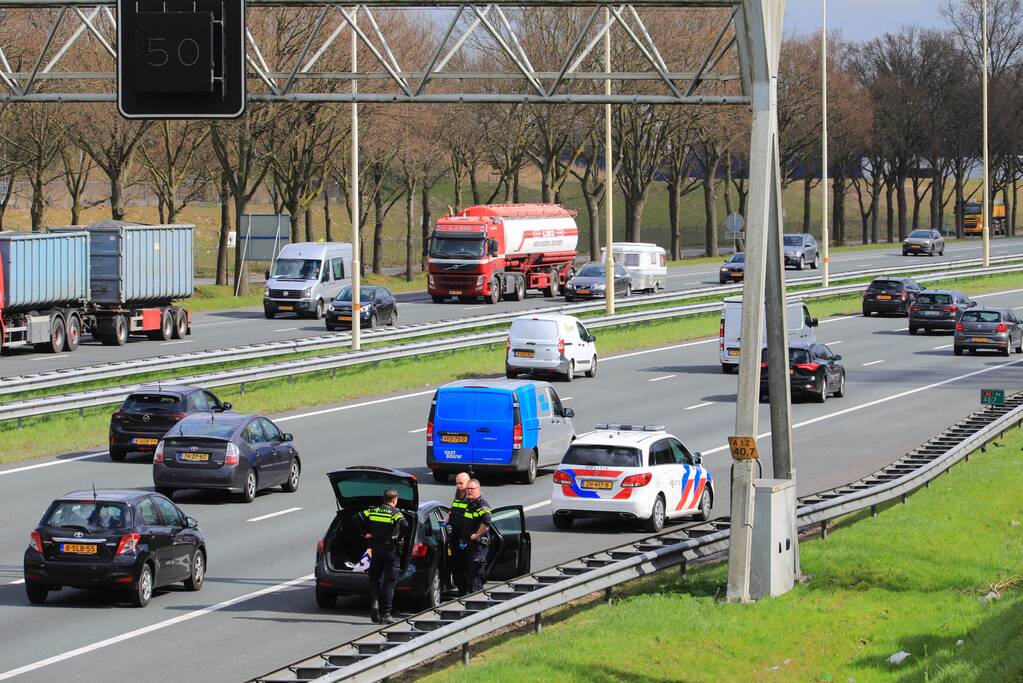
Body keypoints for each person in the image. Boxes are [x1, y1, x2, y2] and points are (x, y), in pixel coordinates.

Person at [356, 488, 409, 624]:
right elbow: (405, 525)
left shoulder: (373, 510)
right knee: (390, 581)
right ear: (394, 499)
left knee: (375, 578)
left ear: (384, 499)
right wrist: (399, 538)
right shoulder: (395, 513)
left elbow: (356, 518)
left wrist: (365, 533)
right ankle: (385, 614)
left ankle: (375, 602)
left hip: (376, 549)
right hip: (391, 550)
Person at [462, 479, 493, 593]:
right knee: (470, 574)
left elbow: (487, 522)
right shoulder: (470, 504)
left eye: (472, 489)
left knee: (476, 575)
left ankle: (477, 599)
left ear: (478, 489)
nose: (469, 491)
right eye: (468, 489)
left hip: (478, 546)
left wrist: (477, 535)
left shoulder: (482, 505)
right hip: (469, 545)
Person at [442, 472, 470, 595]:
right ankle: (461, 590)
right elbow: (452, 511)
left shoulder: (471, 498)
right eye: (456, 483)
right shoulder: (458, 495)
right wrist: (445, 520)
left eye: (461, 483)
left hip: (466, 537)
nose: (458, 486)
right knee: (457, 565)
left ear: (468, 483)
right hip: (456, 536)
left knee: (466, 566)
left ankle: (467, 591)